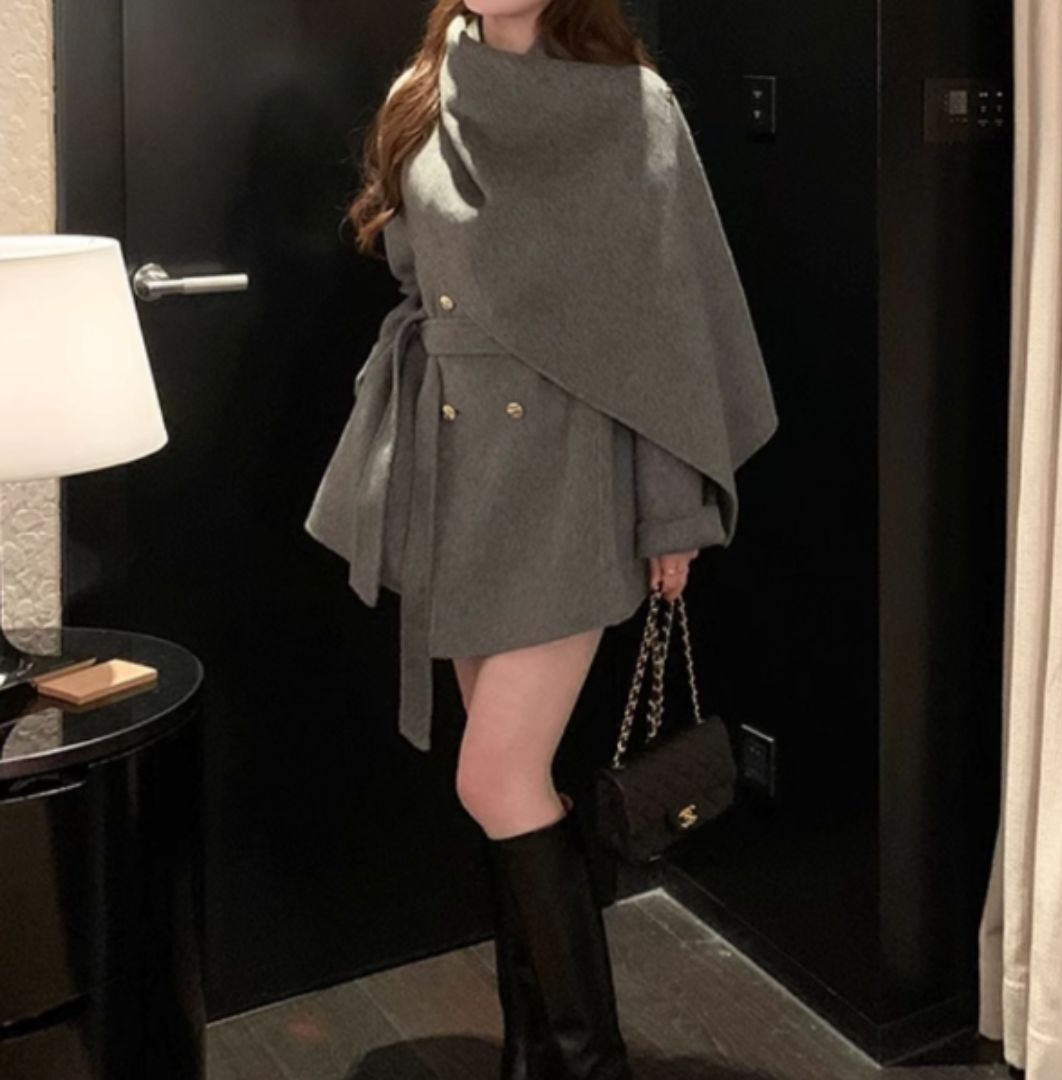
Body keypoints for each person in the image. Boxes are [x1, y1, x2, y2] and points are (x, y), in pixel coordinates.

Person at [304, 1, 779, 1076]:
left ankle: (587, 1059)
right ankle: (537, 1052)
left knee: (494, 777)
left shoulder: (631, 109)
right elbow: (418, 273)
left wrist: (671, 512)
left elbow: (666, 331)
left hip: (570, 477)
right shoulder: (424, 94)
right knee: (511, 787)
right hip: (462, 471)